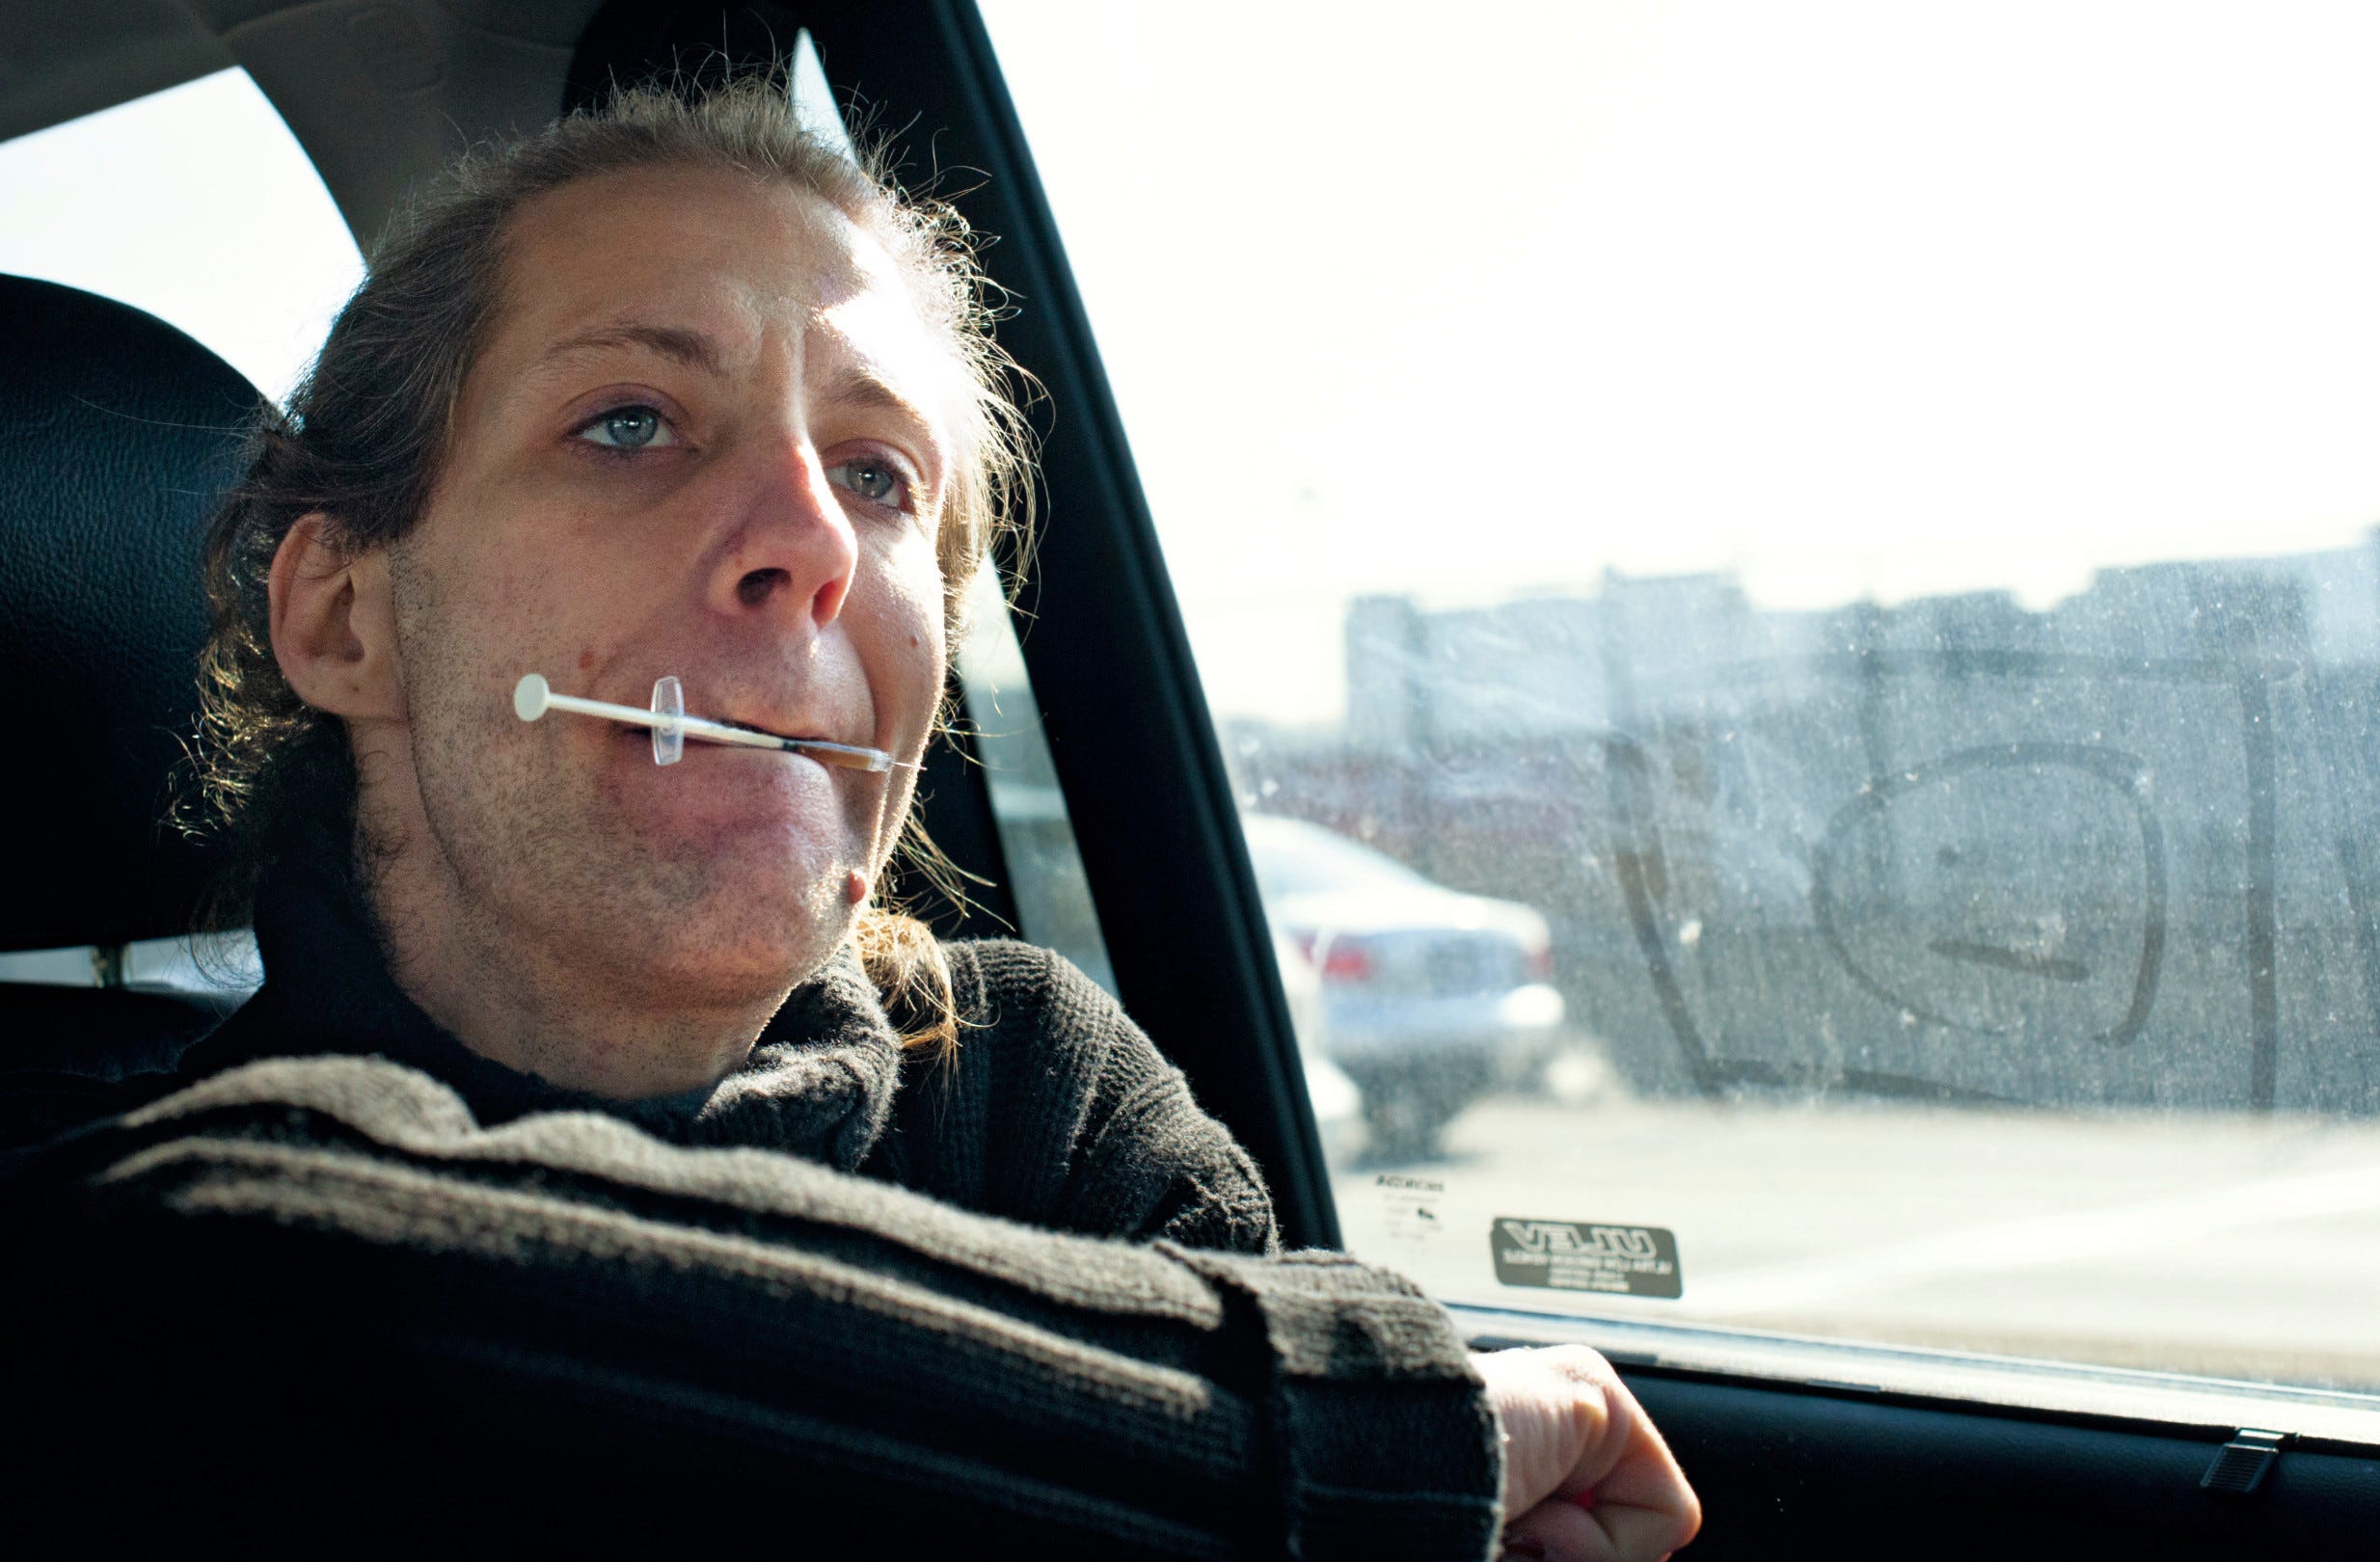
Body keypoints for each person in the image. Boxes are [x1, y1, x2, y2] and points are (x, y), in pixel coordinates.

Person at [0, 79, 1697, 1560]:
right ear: (342, 617)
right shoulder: (105, 1251)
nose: (813, 539)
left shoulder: (1030, 1099)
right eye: (629, 425)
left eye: (882, 476)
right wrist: (1313, 1445)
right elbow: (277, 1289)